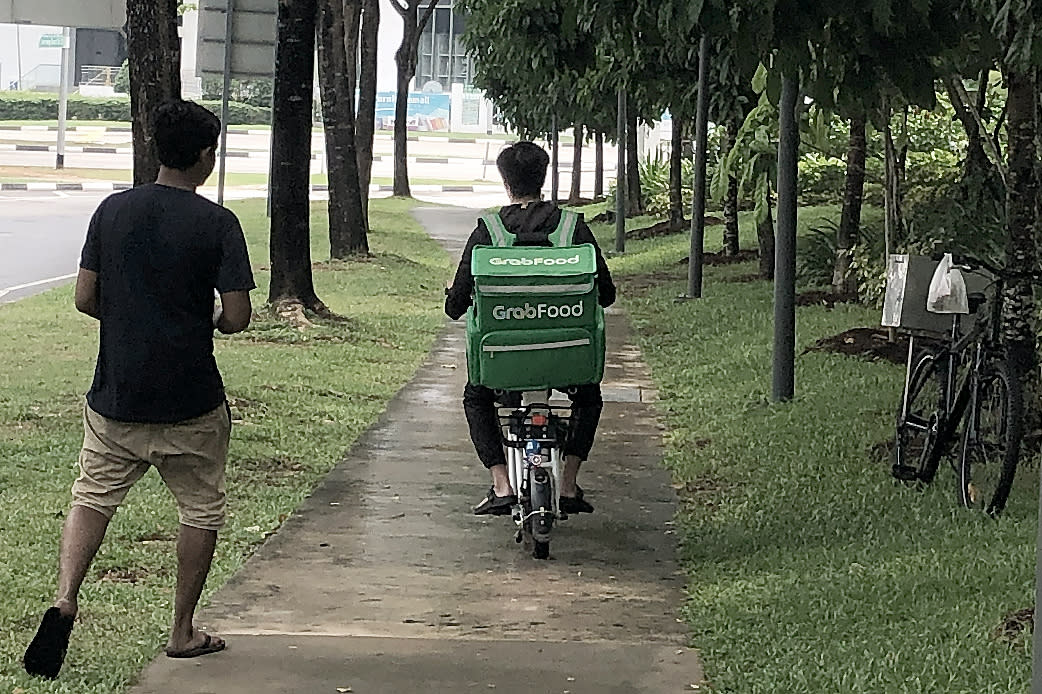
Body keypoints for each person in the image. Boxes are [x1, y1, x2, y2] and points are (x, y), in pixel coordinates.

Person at [23, 99, 255, 679]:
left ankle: (67, 597)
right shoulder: (219, 224)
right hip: (192, 401)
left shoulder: (112, 211)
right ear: (205, 155)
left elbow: (83, 297)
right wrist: (201, 320)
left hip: (116, 396)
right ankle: (181, 631)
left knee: (92, 495)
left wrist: (130, 318)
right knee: (200, 508)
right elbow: (238, 316)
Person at [445, 141, 616, 517]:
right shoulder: (573, 228)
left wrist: (455, 301)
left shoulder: (487, 231)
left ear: (505, 181)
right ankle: (568, 484)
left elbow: (456, 305)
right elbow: (606, 295)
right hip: (569, 362)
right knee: (588, 398)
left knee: (477, 397)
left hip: (502, 364)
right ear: (544, 177)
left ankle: (501, 485)